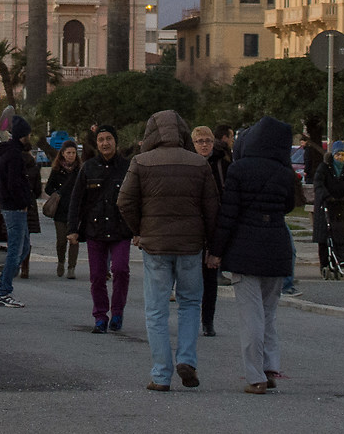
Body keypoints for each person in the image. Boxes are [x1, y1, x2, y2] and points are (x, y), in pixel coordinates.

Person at [117, 110, 219, 390]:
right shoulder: (199, 163)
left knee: (156, 309)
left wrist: (139, 229)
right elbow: (212, 208)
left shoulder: (141, 162)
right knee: (190, 303)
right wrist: (211, 244)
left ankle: (161, 374)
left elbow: (124, 202)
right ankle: (186, 358)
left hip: (155, 246)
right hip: (190, 246)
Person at [212, 116, 299, 393]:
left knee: (251, 315)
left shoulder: (238, 169)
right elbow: (289, 205)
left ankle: (255, 376)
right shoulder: (285, 172)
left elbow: (228, 214)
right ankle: (270, 366)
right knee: (269, 313)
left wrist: (216, 251)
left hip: (245, 249)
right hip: (277, 246)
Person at [66, 127, 133, 332]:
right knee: (97, 276)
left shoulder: (128, 167)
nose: (105, 143)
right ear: (96, 144)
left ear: (116, 141)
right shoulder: (88, 167)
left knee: (120, 270)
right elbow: (76, 200)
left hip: (121, 229)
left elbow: (137, 199)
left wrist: (139, 230)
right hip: (95, 229)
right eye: (101, 139)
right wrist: (72, 229)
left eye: (109, 139)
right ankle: (100, 316)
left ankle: (117, 312)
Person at [0, 116, 38, 307]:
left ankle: (2, 283)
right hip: (15, 207)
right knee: (16, 250)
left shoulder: (5, 152)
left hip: (10, 205)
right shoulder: (15, 155)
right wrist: (23, 202)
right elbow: (14, 183)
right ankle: (4, 292)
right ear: (23, 136)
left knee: (23, 247)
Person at [193, 125, 230, 336]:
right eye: (200, 141)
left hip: (214, 225)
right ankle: (190, 319)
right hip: (192, 227)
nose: (204, 145)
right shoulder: (189, 164)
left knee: (210, 276)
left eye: (208, 141)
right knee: (190, 278)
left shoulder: (221, 164)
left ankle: (208, 321)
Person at [312, 145, 344, 277]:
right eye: (337, 155)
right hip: (326, 205)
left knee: (342, 234)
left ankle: (341, 260)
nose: (340, 158)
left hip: (342, 205)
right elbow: (318, 184)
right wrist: (326, 196)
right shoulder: (324, 167)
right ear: (333, 155)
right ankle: (325, 263)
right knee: (324, 236)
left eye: (342, 155)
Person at [45, 142, 82, 278]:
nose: (71, 155)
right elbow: (48, 188)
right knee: (61, 240)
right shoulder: (57, 170)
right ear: (63, 154)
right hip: (60, 210)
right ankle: (61, 261)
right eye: (68, 153)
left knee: (74, 240)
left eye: (73, 153)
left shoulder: (80, 170)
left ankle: (72, 267)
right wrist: (57, 194)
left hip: (76, 210)